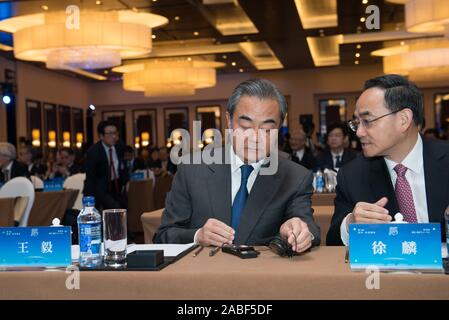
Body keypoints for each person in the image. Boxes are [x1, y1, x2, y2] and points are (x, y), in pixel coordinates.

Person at [155, 79, 320, 252]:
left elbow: (310, 228)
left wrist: (299, 233)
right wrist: (198, 236)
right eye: (245, 125)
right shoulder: (192, 170)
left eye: (267, 129)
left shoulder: (295, 177)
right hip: (203, 275)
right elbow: (164, 235)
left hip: (261, 276)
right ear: (229, 121)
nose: (255, 138)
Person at [326, 74, 449, 246]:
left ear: (403, 120)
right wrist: (351, 224)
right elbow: (332, 242)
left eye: (367, 121)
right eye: (356, 123)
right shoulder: (352, 175)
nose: (359, 132)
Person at [83, 121, 128, 210]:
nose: (114, 137)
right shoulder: (93, 152)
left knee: (124, 210)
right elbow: (90, 178)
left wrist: (126, 180)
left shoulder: (120, 147)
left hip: (118, 187)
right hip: (102, 189)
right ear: (101, 136)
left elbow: (123, 167)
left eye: (115, 133)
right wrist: (88, 202)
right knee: (115, 209)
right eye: (110, 134)